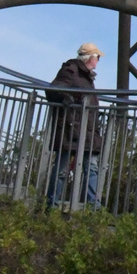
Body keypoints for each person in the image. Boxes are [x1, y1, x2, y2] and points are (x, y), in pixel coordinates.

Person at [46, 43, 106, 207]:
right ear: (90, 58)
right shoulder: (71, 70)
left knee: (91, 168)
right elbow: (53, 90)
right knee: (62, 168)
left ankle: (94, 206)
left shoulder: (85, 76)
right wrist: (66, 98)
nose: (98, 61)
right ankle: (52, 204)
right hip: (71, 128)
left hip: (86, 131)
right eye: (97, 57)